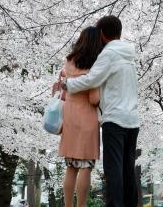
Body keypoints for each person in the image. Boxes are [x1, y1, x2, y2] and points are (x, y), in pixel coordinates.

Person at [60, 15, 139, 207]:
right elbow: (95, 94)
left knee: (111, 170)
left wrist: (68, 85)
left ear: (103, 33)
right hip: (131, 119)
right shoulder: (129, 56)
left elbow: (91, 81)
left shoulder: (102, 56)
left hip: (109, 118)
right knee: (127, 170)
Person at [57, 26, 103, 207]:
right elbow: (94, 98)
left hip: (69, 117)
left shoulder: (68, 62)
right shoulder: (93, 66)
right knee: (85, 166)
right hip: (87, 119)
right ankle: (81, 205)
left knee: (71, 166)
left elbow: (62, 88)